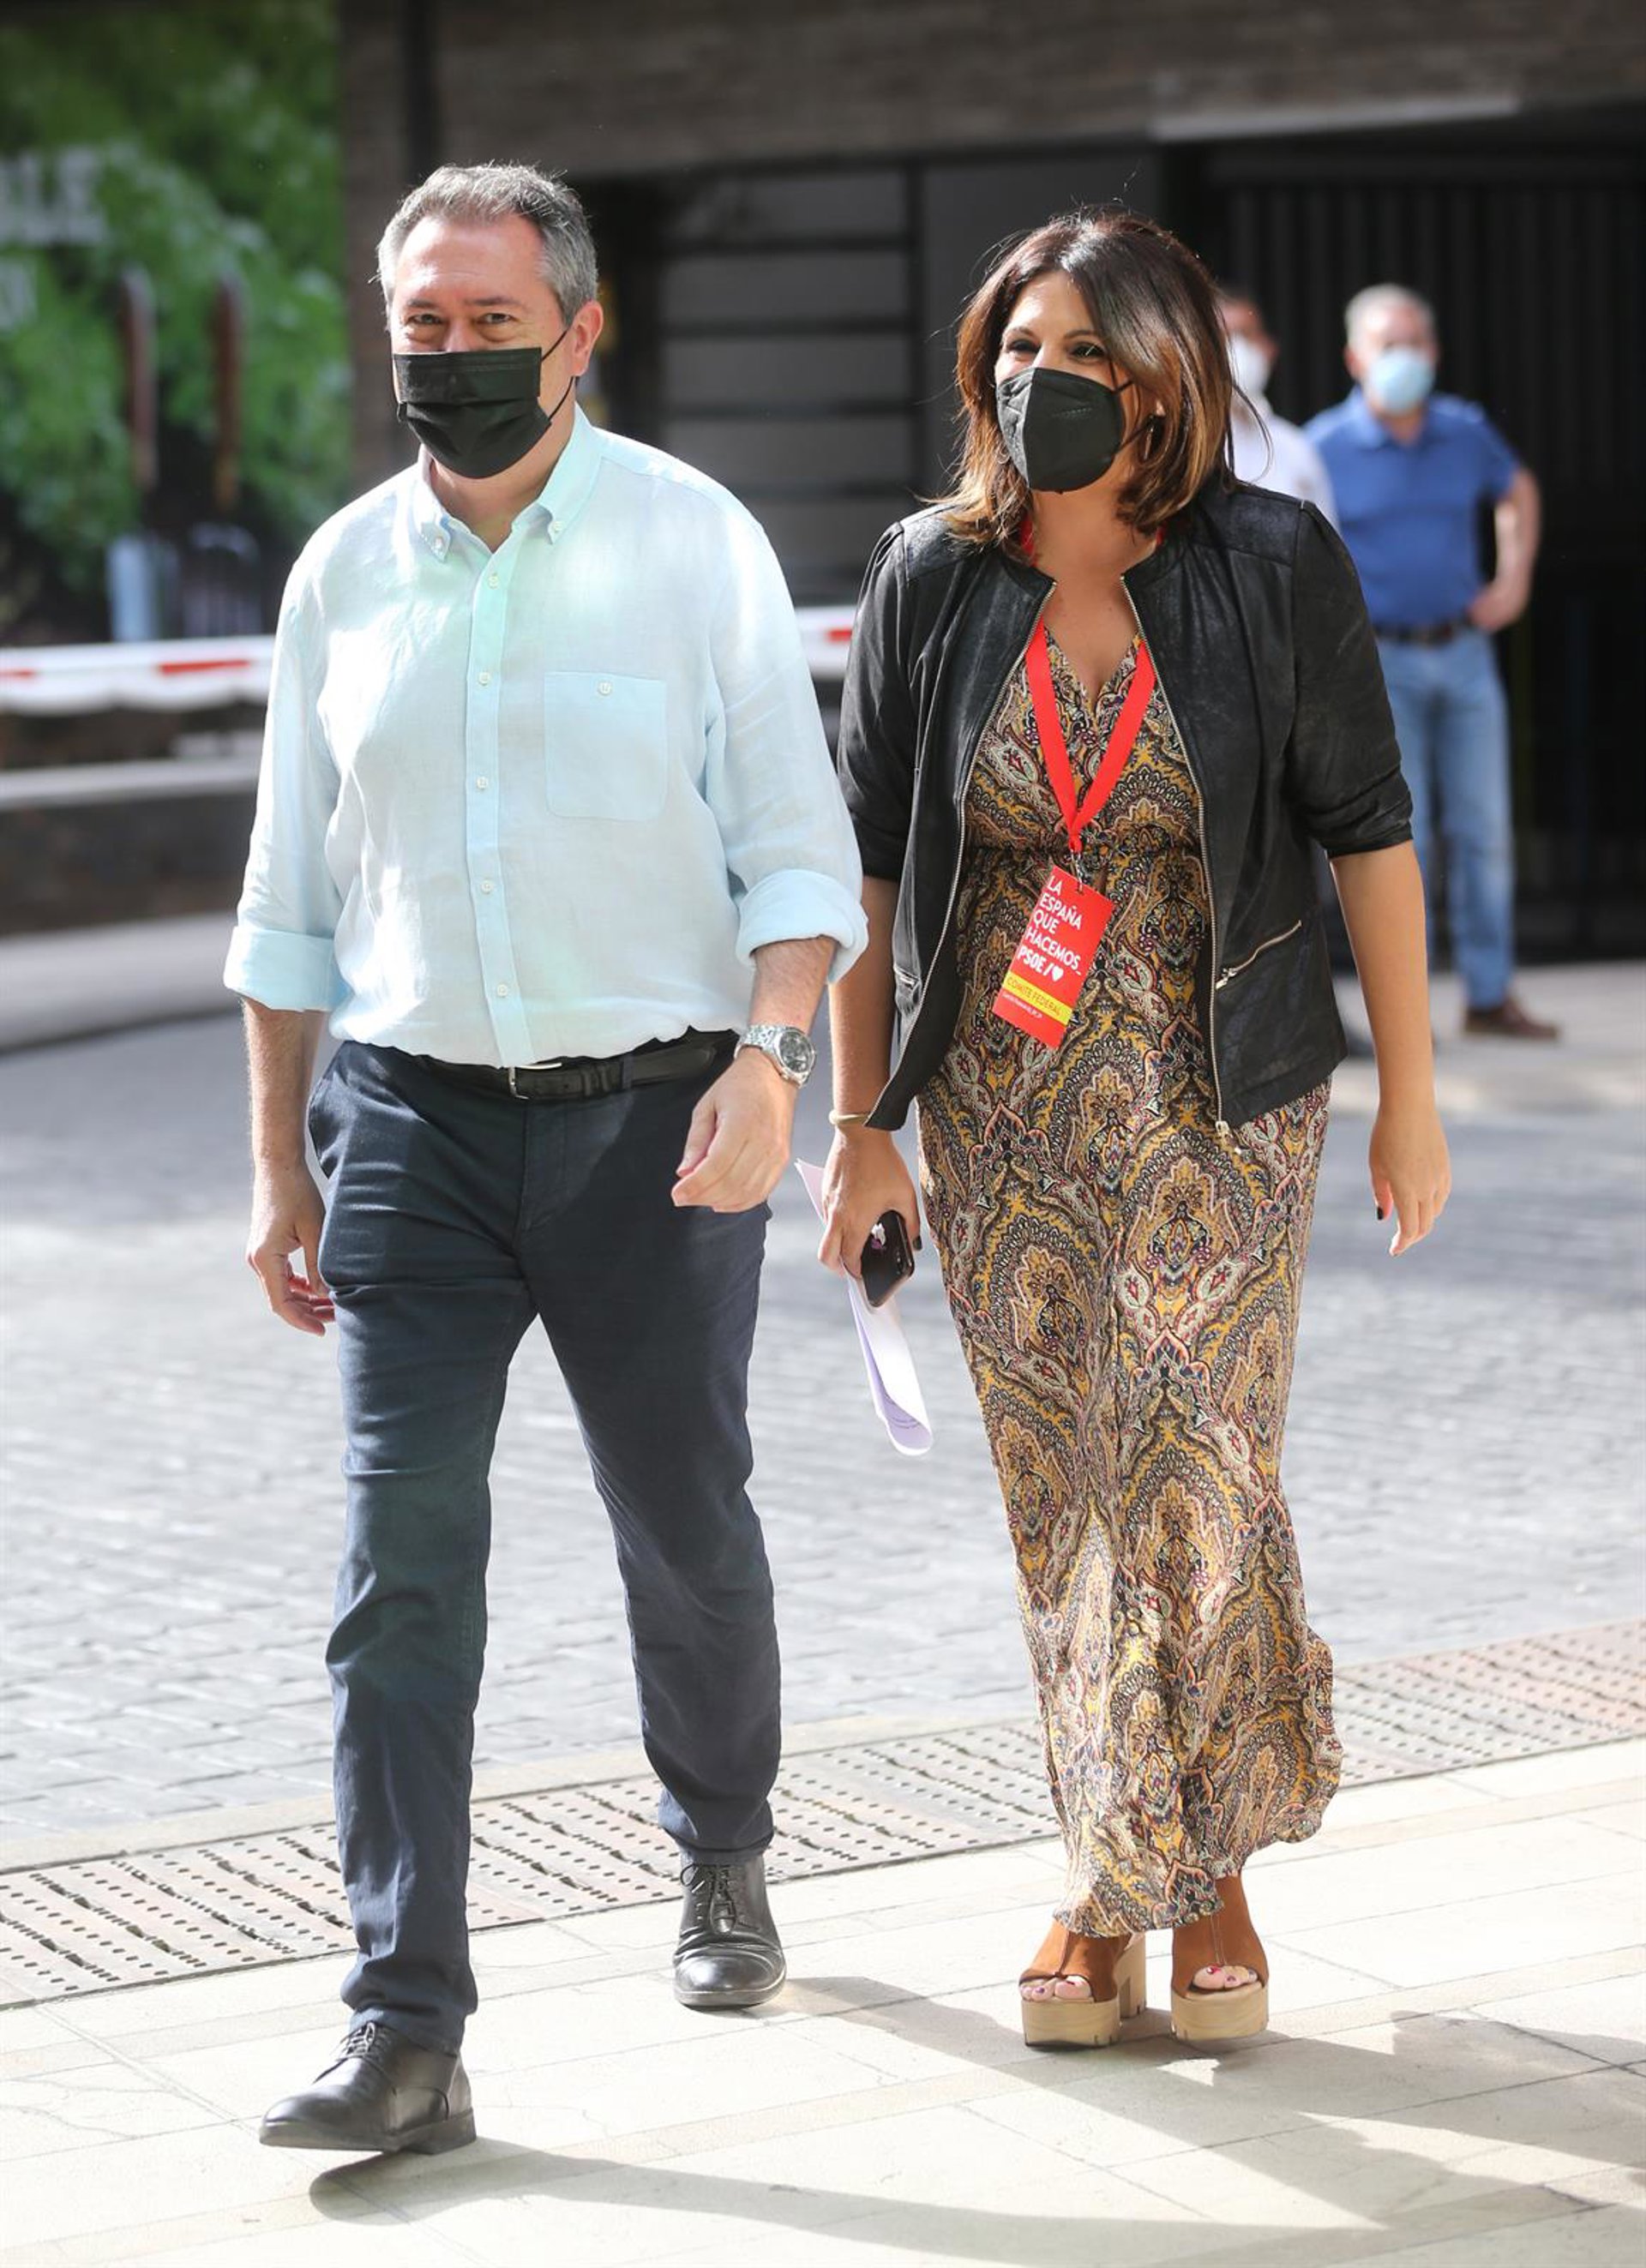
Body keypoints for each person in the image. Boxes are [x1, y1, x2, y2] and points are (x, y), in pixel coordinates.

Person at [226, 162, 866, 2157]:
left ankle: (723, 1848)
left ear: (580, 332)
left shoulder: (694, 543)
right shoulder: (340, 575)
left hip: (656, 1126)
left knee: (684, 1527)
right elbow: (287, 906)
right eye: (423, 325)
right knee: (396, 1568)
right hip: (408, 1126)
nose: (453, 356)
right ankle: (403, 2025)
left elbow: (798, 856)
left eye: (491, 324)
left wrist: (774, 1068)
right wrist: (278, 1170)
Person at [820, 209, 1449, 2052]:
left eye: (1089, 353)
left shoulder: (1273, 560)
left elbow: (1370, 831)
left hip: (1219, 1082)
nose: (1048, 382)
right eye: (1022, 351)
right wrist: (862, 1126)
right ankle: (1127, 1866)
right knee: (1063, 1486)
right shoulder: (931, 576)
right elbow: (864, 870)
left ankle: (1180, 1879)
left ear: (1170, 378)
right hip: (998, 1095)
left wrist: (1413, 1096)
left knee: (1194, 1461)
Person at [1307, 285, 1556, 1040]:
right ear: (1355, 358)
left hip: (1464, 651)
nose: (1405, 357)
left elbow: (1517, 489)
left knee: (1485, 828)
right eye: (1389, 344)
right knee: (1397, 839)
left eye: (1415, 342)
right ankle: (1404, 1008)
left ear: (1436, 353)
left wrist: (1513, 577)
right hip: (1378, 666)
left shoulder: (1464, 430)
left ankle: (1488, 994)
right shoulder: (1324, 447)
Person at [1217, 285, 1336, 519]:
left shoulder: (1295, 446)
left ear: (1269, 349)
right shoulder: (1180, 449)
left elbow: (1324, 535)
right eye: (1224, 337)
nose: (1237, 349)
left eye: (1247, 335)